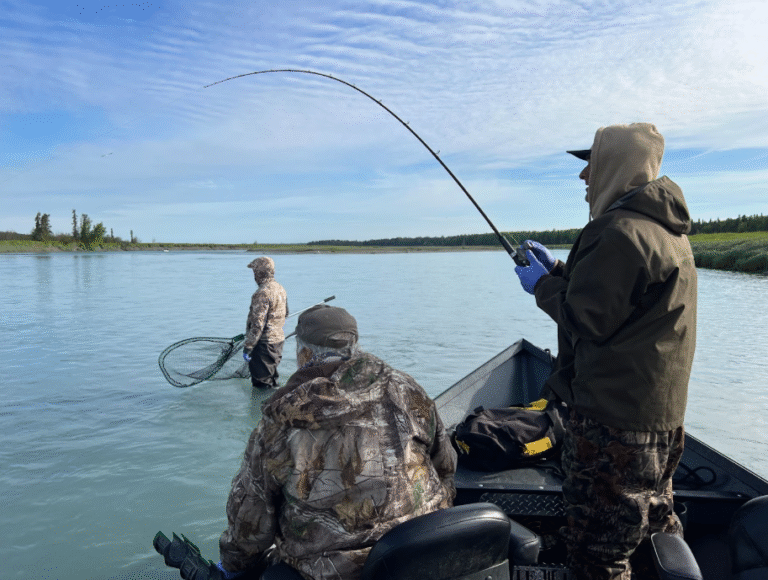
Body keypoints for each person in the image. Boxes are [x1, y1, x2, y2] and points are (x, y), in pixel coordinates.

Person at [513, 123, 698, 580]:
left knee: (599, 556)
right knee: (656, 522)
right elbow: (622, 304)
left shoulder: (617, 231)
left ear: (617, 166)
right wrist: (559, 268)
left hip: (613, 422)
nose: (584, 178)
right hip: (660, 418)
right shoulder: (667, 231)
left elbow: (587, 318)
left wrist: (542, 286)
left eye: (591, 165)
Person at [218, 304, 457, 580]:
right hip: (422, 554)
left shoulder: (280, 422)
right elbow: (446, 466)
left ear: (304, 353)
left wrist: (233, 566)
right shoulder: (407, 389)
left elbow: (249, 524)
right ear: (354, 346)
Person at [242, 257, 288, 389]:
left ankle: (262, 409)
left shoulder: (262, 293)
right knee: (272, 381)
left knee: (262, 386)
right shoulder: (280, 288)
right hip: (277, 343)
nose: (254, 275)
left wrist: (248, 347)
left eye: (255, 271)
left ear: (260, 272)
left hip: (263, 345)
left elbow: (257, 325)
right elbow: (286, 314)